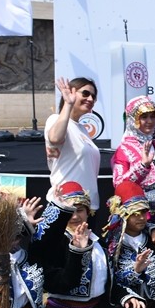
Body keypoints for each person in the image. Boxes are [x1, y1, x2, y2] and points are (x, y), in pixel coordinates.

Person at [111, 96, 155, 233]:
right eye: (144, 117)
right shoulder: (124, 149)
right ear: (133, 120)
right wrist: (142, 166)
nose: (149, 121)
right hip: (137, 217)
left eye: (152, 116)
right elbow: (119, 185)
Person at [45, 77, 102, 209]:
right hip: (65, 203)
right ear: (71, 93)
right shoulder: (55, 119)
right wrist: (68, 104)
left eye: (93, 96)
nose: (90, 99)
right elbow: (55, 138)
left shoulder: (82, 129)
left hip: (88, 206)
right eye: (85, 93)